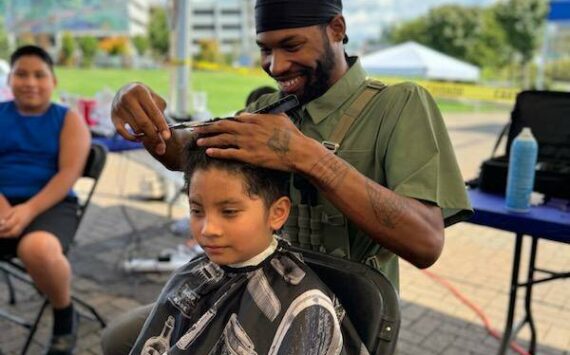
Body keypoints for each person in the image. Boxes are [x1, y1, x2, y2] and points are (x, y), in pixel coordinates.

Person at [104, 0, 472, 353]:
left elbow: (425, 242)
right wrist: (142, 115)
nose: (276, 66)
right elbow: (188, 149)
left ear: (337, 29)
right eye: (265, 50)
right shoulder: (268, 110)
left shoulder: (399, 106)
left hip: (339, 318)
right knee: (120, 339)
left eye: (291, 45)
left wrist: (309, 158)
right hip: (253, 291)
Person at [129, 137, 366, 355]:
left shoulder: (305, 308)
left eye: (229, 212)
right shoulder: (194, 274)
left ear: (277, 213)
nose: (208, 229)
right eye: (196, 211)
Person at [0, 45, 91, 355]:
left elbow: (68, 174)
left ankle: (65, 315)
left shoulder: (68, 120)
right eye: (21, 74)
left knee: (36, 248)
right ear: (9, 80)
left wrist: (26, 211)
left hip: (53, 204)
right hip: (1, 202)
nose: (30, 82)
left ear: (54, 81)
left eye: (39, 74)